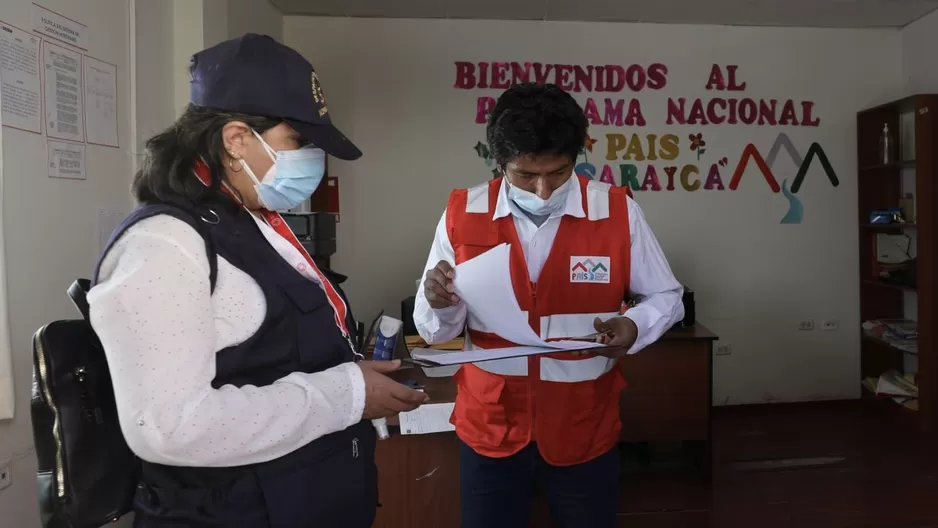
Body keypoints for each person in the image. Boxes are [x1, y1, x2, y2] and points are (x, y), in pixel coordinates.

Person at [88, 34, 427, 528]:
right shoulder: (165, 245)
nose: (312, 159)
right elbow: (168, 428)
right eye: (299, 142)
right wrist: (346, 395)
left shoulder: (253, 223)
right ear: (237, 140)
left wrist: (361, 387)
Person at [414, 82, 685, 528]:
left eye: (558, 173)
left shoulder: (615, 212)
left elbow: (667, 296)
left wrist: (634, 326)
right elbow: (434, 332)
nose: (542, 191)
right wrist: (438, 301)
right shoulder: (464, 213)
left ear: (576, 158)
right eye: (525, 175)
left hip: (584, 426)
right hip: (492, 427)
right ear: (499, 162)